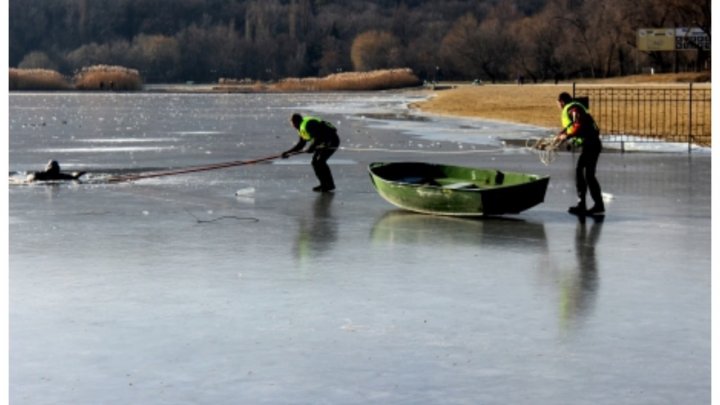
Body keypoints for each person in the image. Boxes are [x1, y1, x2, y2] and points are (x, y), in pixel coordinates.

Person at [554, 92, 605, 216]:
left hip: (591, 145)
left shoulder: (572, 108)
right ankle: (589, 204)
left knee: (585, 174)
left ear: (561, 102)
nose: (558, 106)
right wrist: (564, 135)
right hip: (591, 144)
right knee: (585, 173)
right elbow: (573, 126)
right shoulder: (574, 108)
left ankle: (591, 205)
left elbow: (579, 124)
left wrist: (567, 136)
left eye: (557, 103)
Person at [282, 113, 340, 192]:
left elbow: (318, 136)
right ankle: (324, 184)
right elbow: (301, 145)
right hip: (322, 143)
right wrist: (288, 152)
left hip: (331, 141)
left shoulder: (309, 124)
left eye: (292, 123)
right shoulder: (301, 128)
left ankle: (329, 185)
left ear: (295, 122)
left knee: (320, 162)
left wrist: (311, 148)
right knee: (315, 162)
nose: (292, 126)